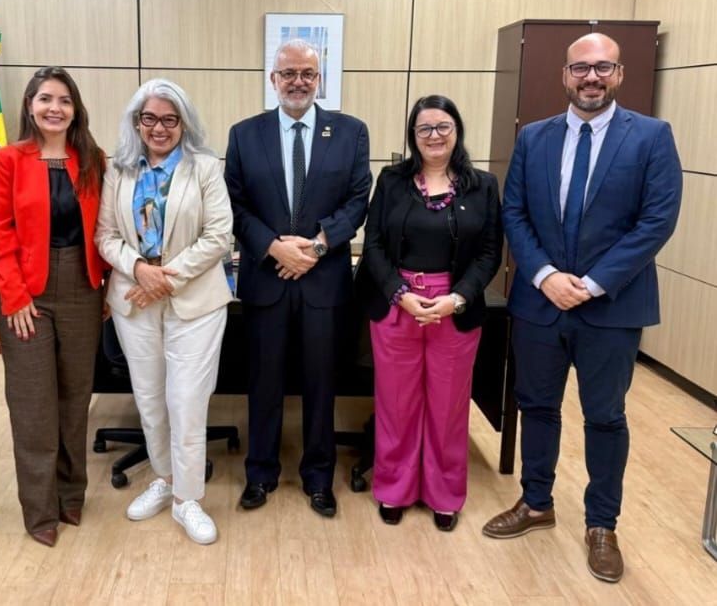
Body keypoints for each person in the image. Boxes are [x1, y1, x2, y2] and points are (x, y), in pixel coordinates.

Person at [482, 33, 683, 583]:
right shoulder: (535, 138)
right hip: (540, 303)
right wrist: (545, 275)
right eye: (581, 68)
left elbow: (656, 222)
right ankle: (536, 502)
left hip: (612, 308)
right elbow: (514, 212)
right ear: (565, 75)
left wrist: (592, 284)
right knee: (536, 405)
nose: (591, 77)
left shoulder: (652, 136)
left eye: (602, 67)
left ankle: (602, 525)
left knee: (605, 416)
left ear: (618, 74)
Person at [225, 39, 372, 517]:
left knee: (321, 385)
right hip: (266, 280)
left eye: (307, 73)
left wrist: (316, 247)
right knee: (263, 383)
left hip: (323, 282)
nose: (298, 82)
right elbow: (235, 205)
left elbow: (358, 201)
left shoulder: (350, 132)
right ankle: (260, 473)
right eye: (288, 73)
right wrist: (274, 247)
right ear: (273, 79)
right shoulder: (244, 134)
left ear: (319, 79)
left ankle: (318, 478)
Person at [96, 79, 233, 545]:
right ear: (137, 122)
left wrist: (163, 278)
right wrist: (139, 269)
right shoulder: (118, 170)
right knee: (151, 399)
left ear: (183, 123)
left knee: (187, 402)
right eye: (150, 118)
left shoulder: (205, 168)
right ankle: (165, 478)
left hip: (195, 301)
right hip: (134, 301)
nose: (159, 128)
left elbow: (219, 236)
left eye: (170, 119)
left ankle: (187, 499)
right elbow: (105, 235)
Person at [360, 95, 501, 530]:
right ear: (413, 135)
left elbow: (490, 252)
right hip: (398, 303)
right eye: (424, 129)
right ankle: (394, 488)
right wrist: (399, 293)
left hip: (453, 307)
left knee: (448, 407)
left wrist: (456, 299)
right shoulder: (392, 181)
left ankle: (444, 495)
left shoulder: (482, 185)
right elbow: (373, 244)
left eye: (443, 127)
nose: (434, 136)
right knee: (396, 404)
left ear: (457, 130)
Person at [0, 66, 108, 548]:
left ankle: (71, 494)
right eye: (45, 99)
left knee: (76, 399)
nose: (55, 108)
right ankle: (39, 510)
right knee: (34, 405)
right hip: (26, 292)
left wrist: (105, 287)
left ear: (75, 109)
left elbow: (107, 228)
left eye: (64, 100)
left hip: (83, 286)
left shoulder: (93, 159)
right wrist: (14, 296)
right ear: (30, 106)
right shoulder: (7, 160)